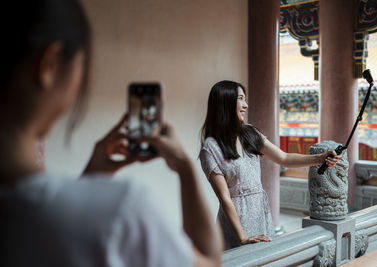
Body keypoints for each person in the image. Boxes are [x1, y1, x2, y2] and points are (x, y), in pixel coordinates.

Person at [0, 1, 222, 266]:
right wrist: (185, 169)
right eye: (82, 64)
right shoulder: (122, 210)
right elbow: (210, 261)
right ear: (49, 65)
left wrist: (92, 175)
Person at [199, 80, 341, 250]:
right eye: (241, 99)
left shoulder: (250, 133)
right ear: (225, 102)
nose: (246, 105)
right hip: (235, 222)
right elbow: (224, 197)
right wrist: (242, 237)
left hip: (260, 213)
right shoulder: (210, 147)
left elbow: (284, 158)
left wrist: (320, 158)